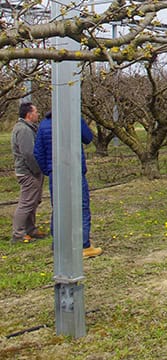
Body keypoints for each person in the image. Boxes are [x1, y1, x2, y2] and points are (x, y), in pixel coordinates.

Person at [33, 111, 102, 259]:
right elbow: (88, 138)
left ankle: (58, 244)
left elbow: (38, 152)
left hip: (55, 173)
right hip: (75, 170)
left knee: (58, 206)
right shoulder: (74, 118)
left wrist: (49, 170)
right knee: (81, 207)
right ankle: (84, 246)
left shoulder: (44, 124)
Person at [11, 101, 45, 243]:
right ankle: (18, 233)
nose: (38, 114)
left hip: (30, 171)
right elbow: (28, 153)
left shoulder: (28, 128)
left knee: (32, 201)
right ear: (29, 114)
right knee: (26, 202)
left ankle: (30, 229)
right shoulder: (24, 130)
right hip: (28, 172)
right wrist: (37, 169)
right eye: (36, 111)